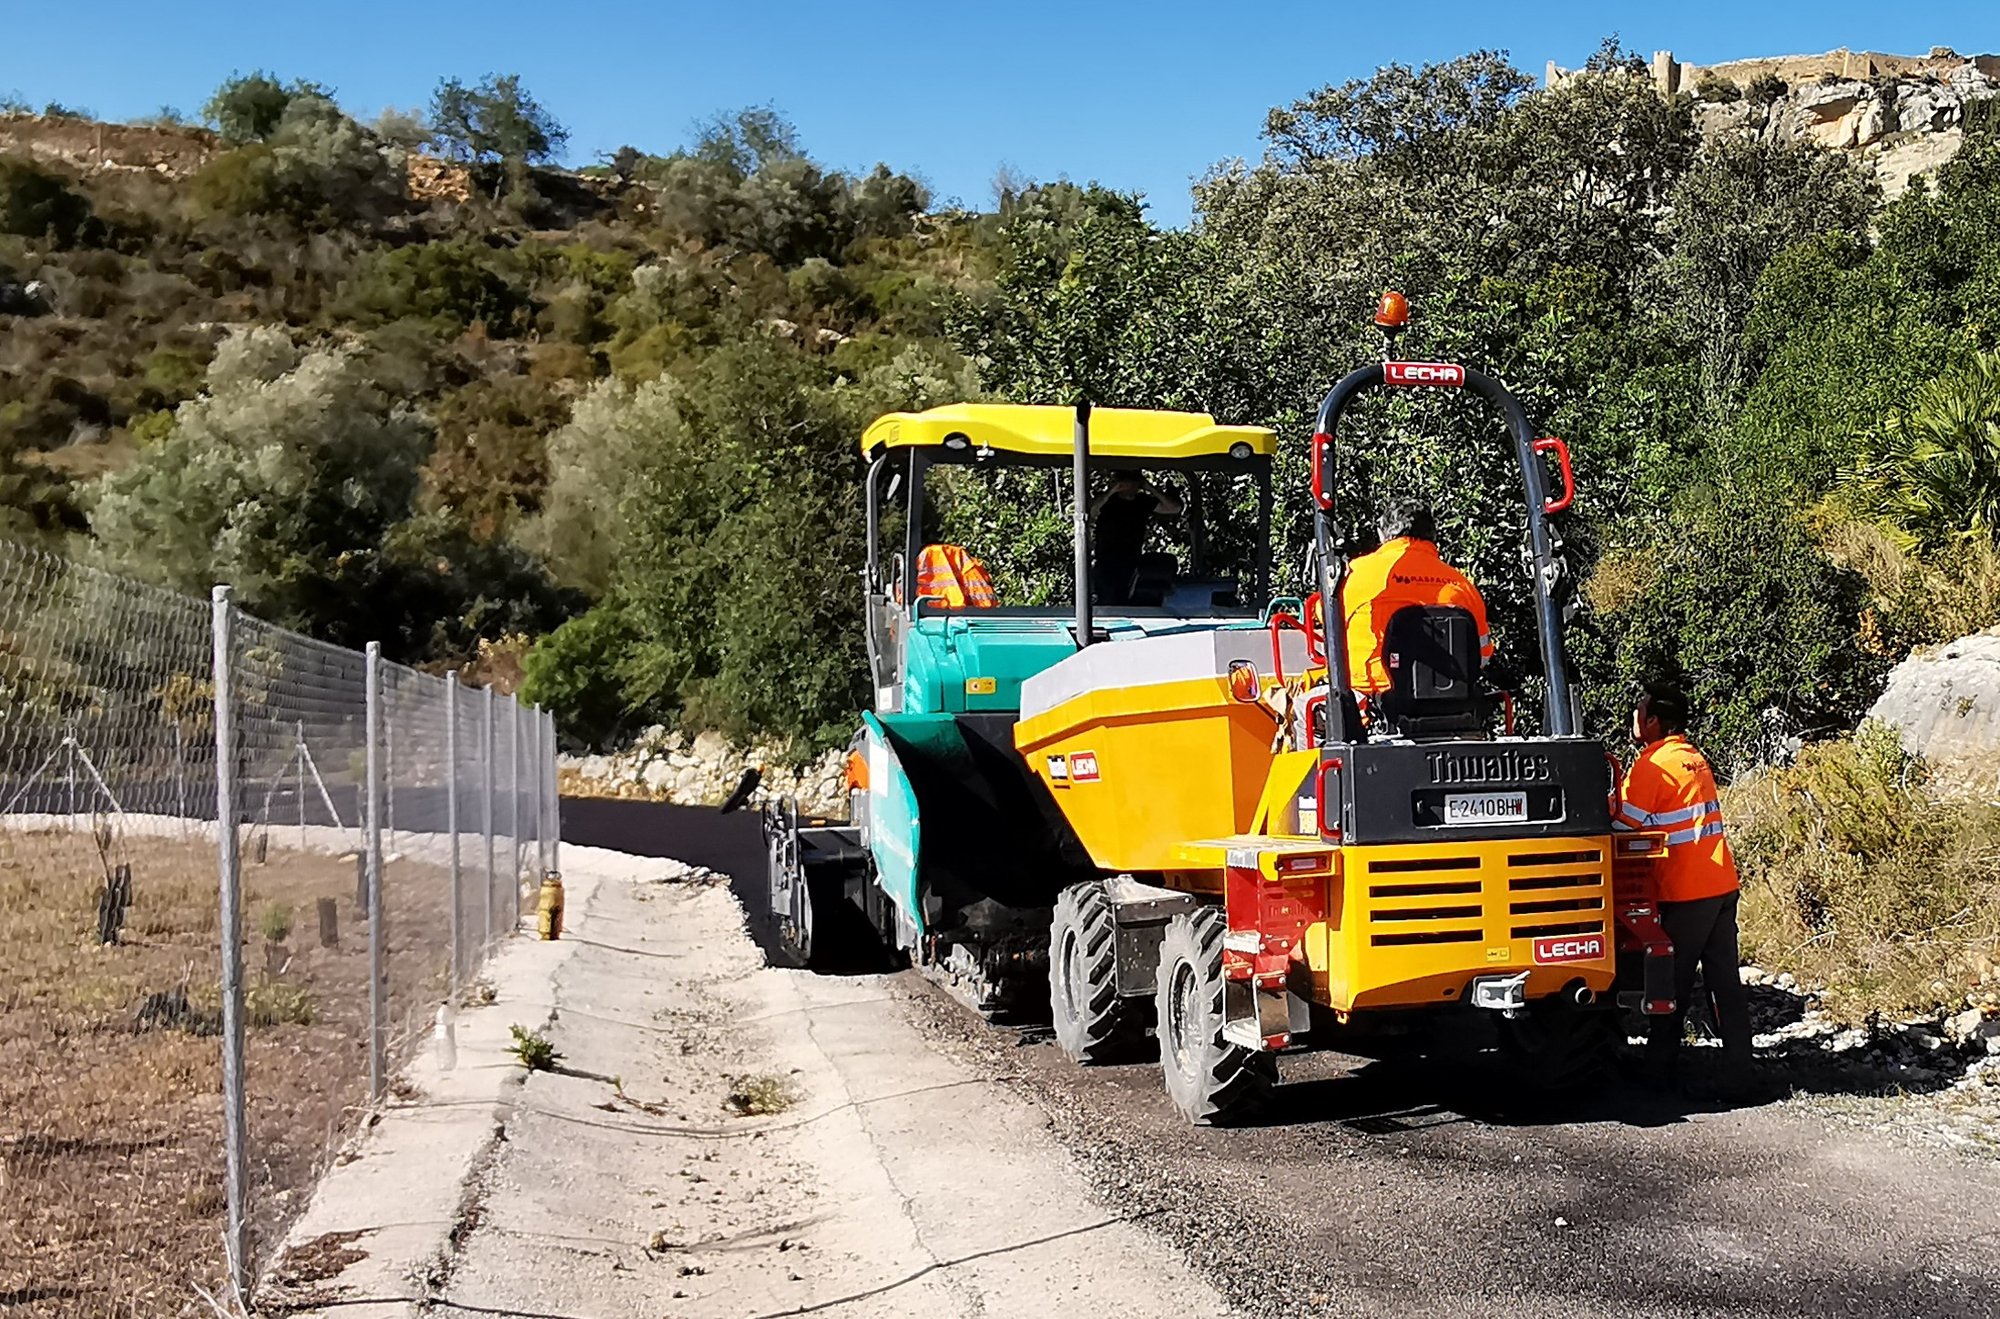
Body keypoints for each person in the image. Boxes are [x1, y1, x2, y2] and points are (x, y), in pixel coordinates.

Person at [1614, 684, 1752, 1090]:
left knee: (1669, 984)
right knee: (1724, 982)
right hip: (1721, 883)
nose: (1634, 719)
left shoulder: (1654, 765)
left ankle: (1657, 1074)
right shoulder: (1693, 757)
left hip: (1687, 892)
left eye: (1639, 711)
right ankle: (1740, 1073)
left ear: (1653, 720)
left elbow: (1624, 825)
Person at [1338, 499, 1492, 695]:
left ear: (1382, 533)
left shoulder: (1356, 573)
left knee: (1299, 708)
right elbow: (1483, 654)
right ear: (1433, 535)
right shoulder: (1461, 585)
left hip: (1370, 698)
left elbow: (1326, 615)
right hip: (1450, 703)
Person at [1090, 470, 1182, 605]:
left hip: (1131, 561)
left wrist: (1149, 487)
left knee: (1128, 601)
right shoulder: (1108, 501)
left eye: (1134, 482)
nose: (1130, 486)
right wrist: (1112, 489)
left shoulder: (1142, 501)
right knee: (1107, 601)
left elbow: (1174, 508)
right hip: (1106, 562)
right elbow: (1090, 511)